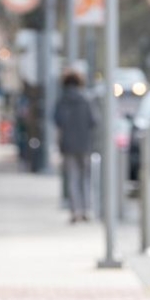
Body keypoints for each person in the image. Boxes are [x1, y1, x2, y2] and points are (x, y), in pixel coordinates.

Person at [53, 71, 99, 222]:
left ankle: (74, 211)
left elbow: (57, 121)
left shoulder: (62, 100)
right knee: (85, 177)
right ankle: (86, 210)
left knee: (72, 178)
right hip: (84, 144)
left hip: (68, 145)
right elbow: (94, 121)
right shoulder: (86, 100)